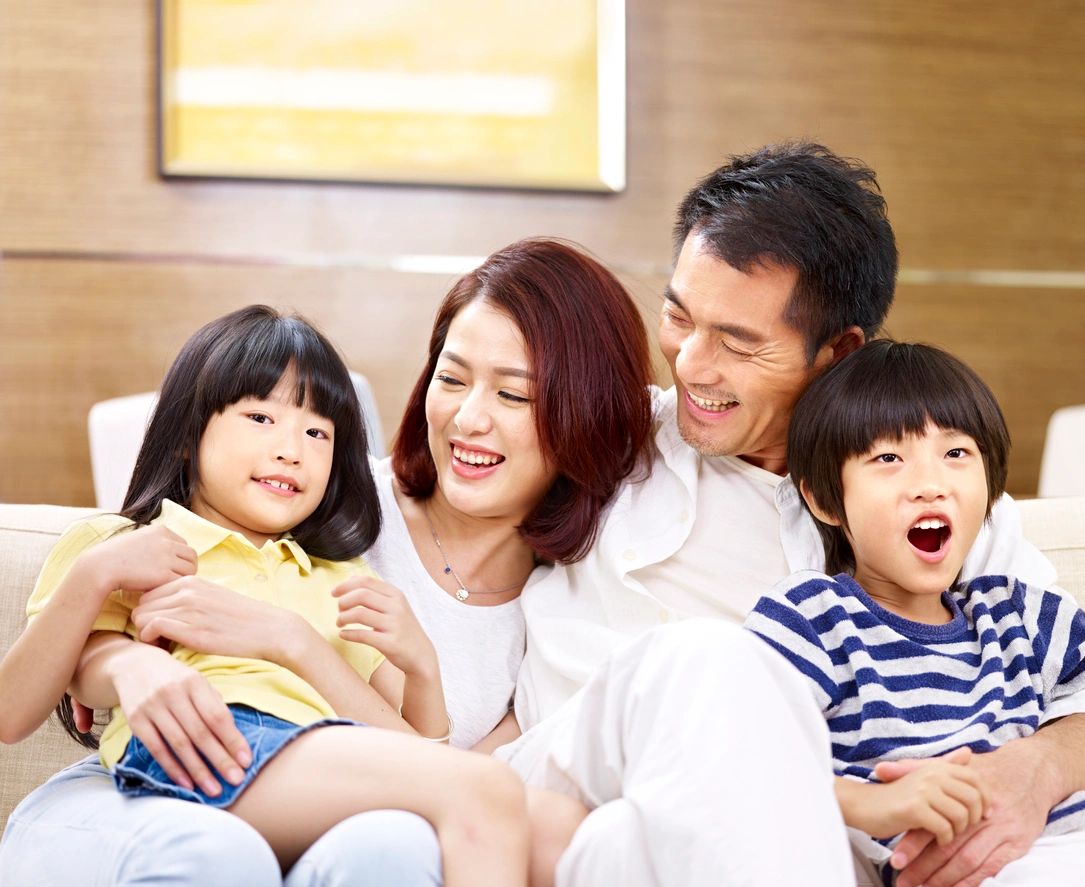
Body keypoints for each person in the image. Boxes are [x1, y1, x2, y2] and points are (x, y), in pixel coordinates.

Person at [502, 142, 1085, 886]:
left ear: (837, 351)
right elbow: (421, 502)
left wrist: (1036, 766)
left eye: (737, 342)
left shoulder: (940, 507)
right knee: (705, 671)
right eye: (679, 316)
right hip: (582, 802)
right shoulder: (599, 440)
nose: (689, 362)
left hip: (806, 851)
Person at [1, 251, 654, 887]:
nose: (290, 451)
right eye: (450, 379)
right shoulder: (182, 540)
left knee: (482, 824)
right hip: (213, 749)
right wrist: (115, 649)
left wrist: (365, 654)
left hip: (320, 767)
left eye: (317, 434)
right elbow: (56, 682)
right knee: (478, 791)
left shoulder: (331, 571)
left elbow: (410, 740)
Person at [745, 338, 1085, 885]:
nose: (930, 485)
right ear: (825, 500)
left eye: (956, 454)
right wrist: (867, 802)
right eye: (888, 459)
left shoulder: (1013, 612)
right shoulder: (811, 617)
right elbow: (745, 758)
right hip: (981, 867)